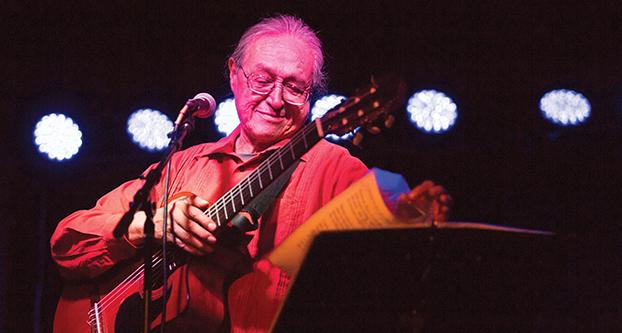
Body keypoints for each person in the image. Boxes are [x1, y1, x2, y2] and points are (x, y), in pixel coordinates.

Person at [50, 15, 452, 332]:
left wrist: (414, 223)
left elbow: (390, 273)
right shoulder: (183, 165)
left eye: (294, 87)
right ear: (233, 74)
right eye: (263, 79)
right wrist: (150, 226)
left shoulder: (337, 169)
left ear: (312, 96)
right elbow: (67, 244)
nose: (276, 99)